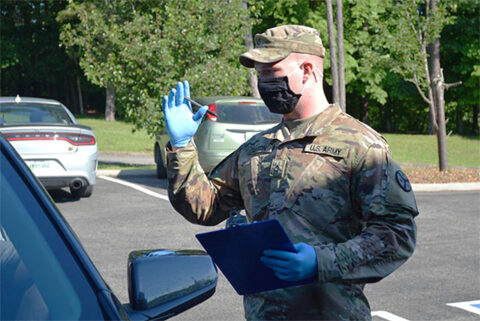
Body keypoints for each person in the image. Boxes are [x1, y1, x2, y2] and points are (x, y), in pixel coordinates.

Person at [162, 25, 418, 321]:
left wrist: (319, 262)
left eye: (271, 72)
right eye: (260, 74)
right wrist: (182, 147)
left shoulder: (359, 145)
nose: (263, 82)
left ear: (307, 70)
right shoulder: (257, 149)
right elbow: (204, 207)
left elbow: (396, 234)